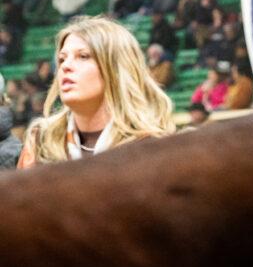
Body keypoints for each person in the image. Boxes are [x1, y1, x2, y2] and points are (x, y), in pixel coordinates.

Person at [18, 17, 174, 168]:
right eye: (62, 59)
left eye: (83, 56)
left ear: (116, 69)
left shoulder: (151, 145)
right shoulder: (41, 142)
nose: (66, 66)